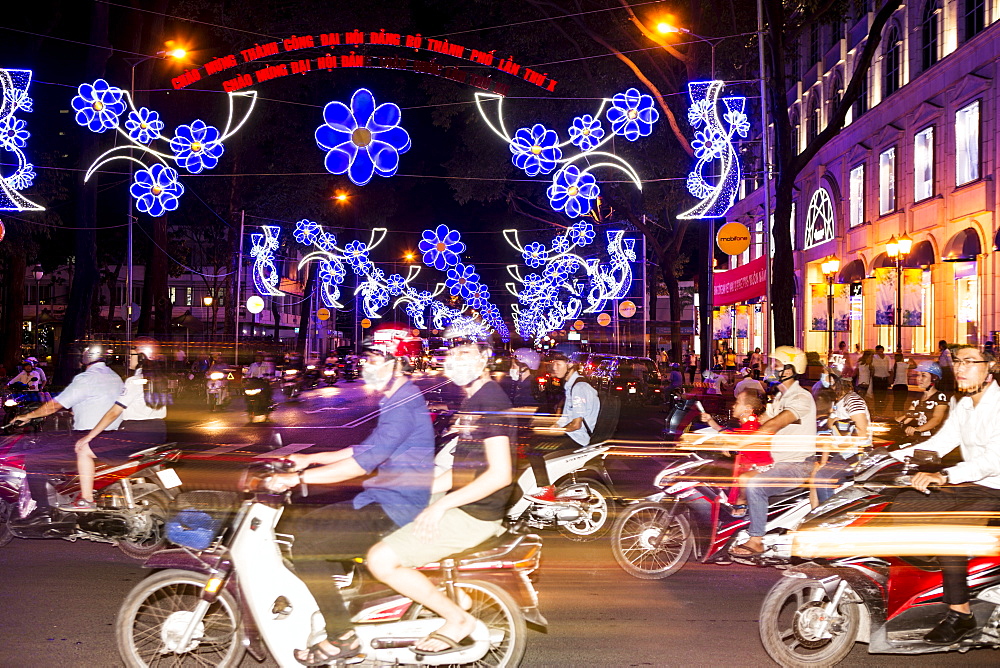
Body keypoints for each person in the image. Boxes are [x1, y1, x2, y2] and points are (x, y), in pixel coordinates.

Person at [264, 336, 434, 665]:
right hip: (383, 496)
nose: (366, 365)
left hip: (395, 505)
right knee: (306, 527)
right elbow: (364, 448)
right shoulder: (396, 398)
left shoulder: (402, 403)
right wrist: (310, 460)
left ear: (396, 364)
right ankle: (337, 600)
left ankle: (342, 636)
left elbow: (362, 464)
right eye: (366, 359)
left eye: (374, 359)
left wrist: (297, 479)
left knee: (306, 547)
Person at [365, 337, 516, 658]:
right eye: (452, 354)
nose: (456, 360)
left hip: (477, 513)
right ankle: (455, 594)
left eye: (466, 353)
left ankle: (457, 618)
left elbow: (500, 474)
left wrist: (441, 505)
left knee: (380, 560)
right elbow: (467, 470)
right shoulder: (473, 400)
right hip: (467, 500)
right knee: (387, 509)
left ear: (485, 358)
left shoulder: (491, 402)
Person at [888, 346, 1000, 644]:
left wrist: (945, 475)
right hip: (972, 483)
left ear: (990, 367)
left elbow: (993, 462)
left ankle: (960, 613)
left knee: (951, 531)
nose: (960, 368)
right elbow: (942, 441)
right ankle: (937, 580)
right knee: (901, 505)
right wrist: (887, 458)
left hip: (996, 487)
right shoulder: (961, 403)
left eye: (970, 362)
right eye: (958, 362)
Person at [9, 346, 125, 526]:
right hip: (112, 436)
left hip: (87, 437)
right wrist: (76, 411)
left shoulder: (86, 378)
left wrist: (27, 416)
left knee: (35, 458)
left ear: (84, 360)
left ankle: (43, 510)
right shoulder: (115, 377)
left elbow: (56, 404)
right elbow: (101, 402)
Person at [730, 346, 817, 558]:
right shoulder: (779, 398)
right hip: (779, 463)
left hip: (797, 465)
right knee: (743, 477)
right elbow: (758, 423)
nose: (770, 367)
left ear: (789, 370)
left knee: (756, 485)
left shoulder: (801, 398)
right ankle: (743, 522)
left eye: (776, 364)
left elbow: (771, 426)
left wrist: (741, 443)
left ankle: (756, 539)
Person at [63, 360, 169, 511]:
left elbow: (114, 412)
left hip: (136, 432)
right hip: (158, 431)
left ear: (140, 358)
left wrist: (89, 437)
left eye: (132, 354)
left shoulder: (133, 381)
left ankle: (86, 500)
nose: (128, 358)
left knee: (84, 450)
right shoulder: (159, 380)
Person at [526, 351, 600, 503]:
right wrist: (548, 427)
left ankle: (545, 489)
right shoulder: (571, 386)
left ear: (571, 365)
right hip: (573, 434)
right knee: (533, 441)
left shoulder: (579, 387)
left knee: (534, 450)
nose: (554, 368)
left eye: (559, 364)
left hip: (577, 438)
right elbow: (567, 417)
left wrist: (554, 431)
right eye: (553, 364)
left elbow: (575, 424)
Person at [701, 389, 770, 516]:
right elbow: (732, 434)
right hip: (748, 466)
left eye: (737, 403)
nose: (733, 406)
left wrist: (730, 443)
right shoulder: (747, 423)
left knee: (742, 479)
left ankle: (742, 502)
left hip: (762, 468)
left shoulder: (751, 425)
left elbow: (738, 439)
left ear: (748, 409)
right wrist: (710, 420)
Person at [814, 372, 871, 503]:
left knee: (822, 479)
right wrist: (823, 462)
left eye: (828, 380)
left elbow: (862, 432)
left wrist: (838, 423)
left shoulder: (852, 400)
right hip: (841, 453)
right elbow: (829, 432)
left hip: (856, 454)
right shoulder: (836, 402)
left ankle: (828, 517)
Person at [895, 361, 949, 441]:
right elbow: (908, 416)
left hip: (934, 440)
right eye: (918, 375)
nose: (919, 378)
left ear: (934, 378)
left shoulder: (940, 397)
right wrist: (889, 423)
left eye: (923, 376)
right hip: (919, 439)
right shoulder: (918, 398)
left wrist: (917, 429)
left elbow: (936, 419)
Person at [870, 345, 892, 415]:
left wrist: (890, 379)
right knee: (877, 395)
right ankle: (877, 410)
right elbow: (872, 368)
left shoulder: (887, 358)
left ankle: (881, 410)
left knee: (883, 395)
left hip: (884, 379)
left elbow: (890, 369)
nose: (880, 353)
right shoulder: (874, 358)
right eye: (879, 351)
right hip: (877, 379)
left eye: (881, 351)